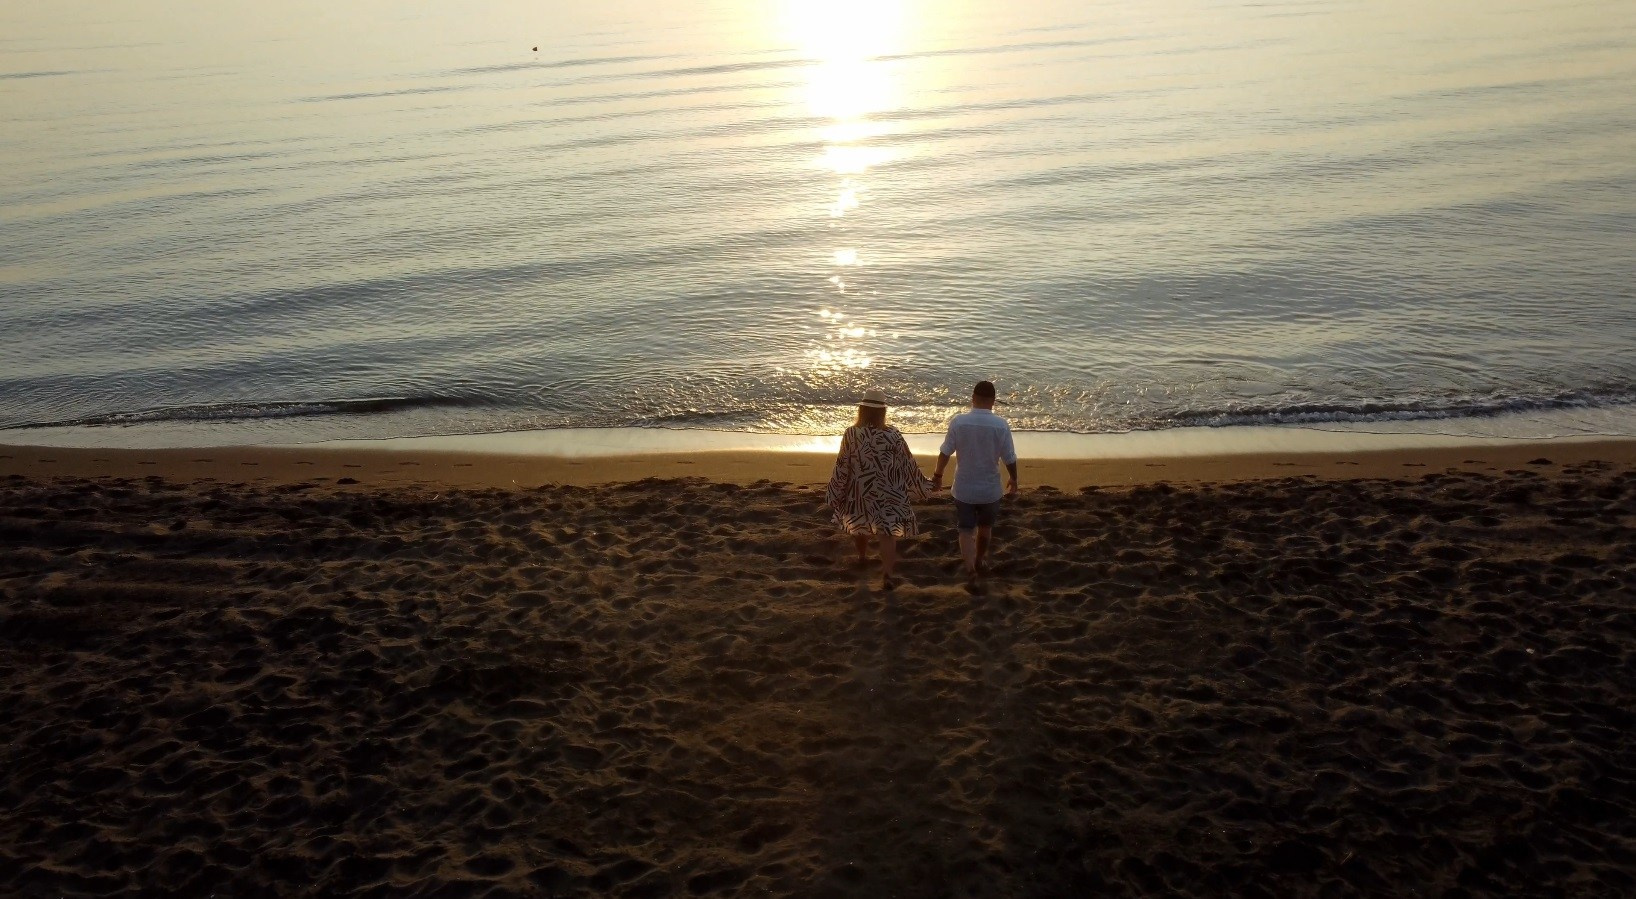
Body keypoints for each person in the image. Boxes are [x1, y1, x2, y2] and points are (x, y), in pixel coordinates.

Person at [826, 389, 934, 591]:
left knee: (860, 525)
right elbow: (908, 464)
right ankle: (887, 574)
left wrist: (836, 491)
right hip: (889, 492)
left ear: (862, 410)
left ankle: (862, 556)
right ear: (882, 412)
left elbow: (842, 465)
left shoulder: (851, 433)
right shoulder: (893, 434)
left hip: (860, 490)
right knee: (887, 534)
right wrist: (923, 484)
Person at [931, 380, 1018, 586]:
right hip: (990, 489)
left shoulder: (959, 422)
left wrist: (937, 475)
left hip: (964, 488)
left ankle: (970, 568)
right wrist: (1014, 479)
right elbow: (1010, 458)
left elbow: (945, 452)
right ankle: (979, 559)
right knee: (985, 527)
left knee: (965, 529)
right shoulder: (1001, 425)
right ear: (993, 402)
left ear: (973, 399)